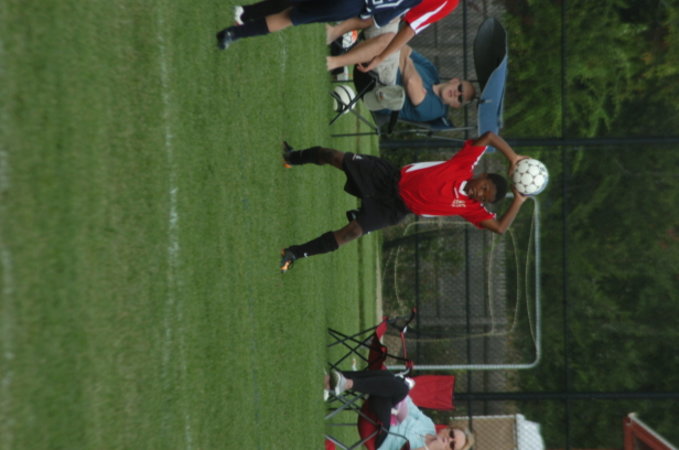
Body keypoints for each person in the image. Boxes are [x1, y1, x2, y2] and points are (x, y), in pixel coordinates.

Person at [278, 131, 529, 272]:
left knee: (351, 233)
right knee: (333, 156)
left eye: (484, 197)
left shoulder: (471, 209)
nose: (479, 194)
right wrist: (513, 157)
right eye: (484, 188)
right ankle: (292, 157)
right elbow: (489, 136)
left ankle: (294, 253)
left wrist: (518, 200)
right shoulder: (464, 165)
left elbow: (500, 228)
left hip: (394, 209)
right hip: (387, 177)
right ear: (483, 175)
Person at [327, 20, 476, 122]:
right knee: (389, 16)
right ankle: (337, 33)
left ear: (456, 105)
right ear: (455, 81)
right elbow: (403, 46)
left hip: (381, 88)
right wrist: (407, 65)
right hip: (383, 64)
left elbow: (410, 83)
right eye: (460, 88)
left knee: (389, 40)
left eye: (460, 98)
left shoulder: (436, 109)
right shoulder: (431, 71)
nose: (457, 93)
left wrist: (404, 60)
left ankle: (334, 62)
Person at [325, 370, 475, 450]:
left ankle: (341, 382)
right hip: (382, 413)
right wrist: (398, 396)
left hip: (380, 437)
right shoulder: (428, 424)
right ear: (447, 429)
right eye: (452, 434)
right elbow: (407, 403)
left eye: (452, 445)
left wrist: (429, 448)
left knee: (395, 384)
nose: (449, 440)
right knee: (391, 380)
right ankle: (335, 382)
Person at [216, 0, 423, 50]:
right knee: (290, 13)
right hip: (352, 6)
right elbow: (379, 19)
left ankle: (239, 24)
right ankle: (237, 28)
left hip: (353, 5)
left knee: (292, 11)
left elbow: (380, 18)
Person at [324, 0, 460, 74]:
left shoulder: (449, 2)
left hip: (396, 13)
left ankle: (334, 62)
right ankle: (333, 32)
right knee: (382, 12)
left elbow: (410, 29)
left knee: (388, 38)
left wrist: (380, 58)